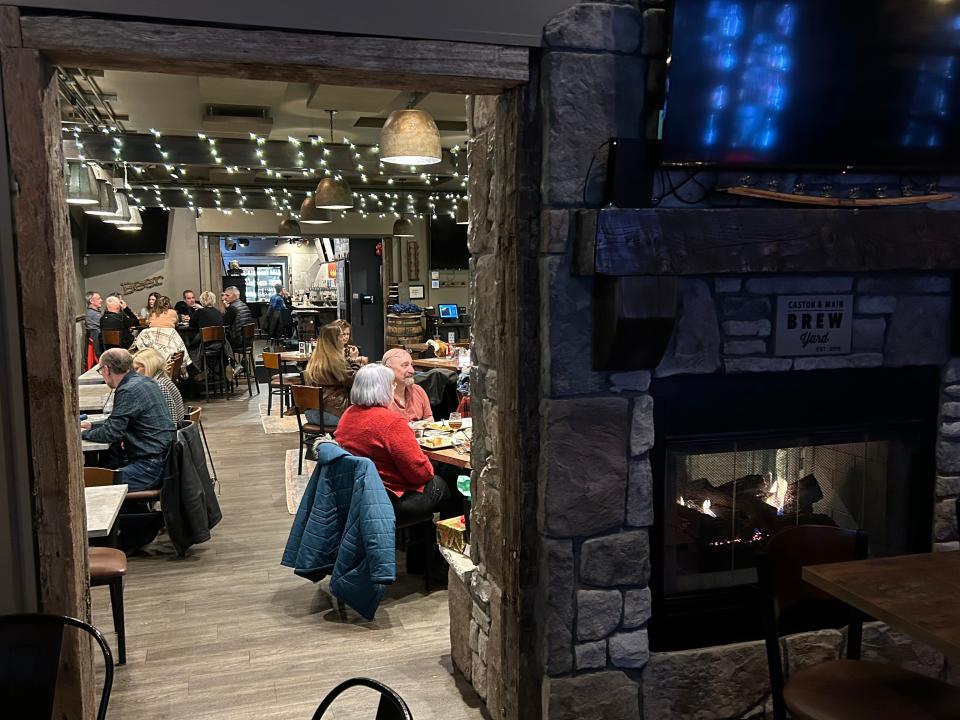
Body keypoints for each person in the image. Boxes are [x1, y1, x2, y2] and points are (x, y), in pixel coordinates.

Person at [335, 364, 456, 522]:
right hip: (389, 497)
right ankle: (446, 540)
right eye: (391, 384)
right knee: (448, 483)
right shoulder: (391, 422)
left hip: (357, 492)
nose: (394, 387)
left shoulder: (347, 415)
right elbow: (420, 474)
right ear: (382, 388)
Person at [80, 348, 175, 490]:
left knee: (93, 482)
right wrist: (91, 426)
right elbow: (118, 423)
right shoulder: (146, 382)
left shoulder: (127, 390)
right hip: (165, 461)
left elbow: (111, 433)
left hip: (149, 468)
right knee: (104, 469)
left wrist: (81, 433)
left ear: (106, 369)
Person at [302, 323, 355, 426]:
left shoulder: (315, 360)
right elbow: (354, 381)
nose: (344, 338)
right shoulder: (335, 361)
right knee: (363, 417)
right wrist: (354, 362)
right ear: (334, 340)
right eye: (341, 335)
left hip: (311, 413)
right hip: (331, 413)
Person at [132, 347, 184, 424]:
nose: (134, 373)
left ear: (149, 366)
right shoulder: (162, 379)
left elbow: (169, 422)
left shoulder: (159, 386)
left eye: (136, 369)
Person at [382, 348, 433, 422]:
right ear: (388, 369)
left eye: (411, 365)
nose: (412, 371)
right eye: (405, 365)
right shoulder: (380, 397)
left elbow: (430, 421)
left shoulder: (418, 391)